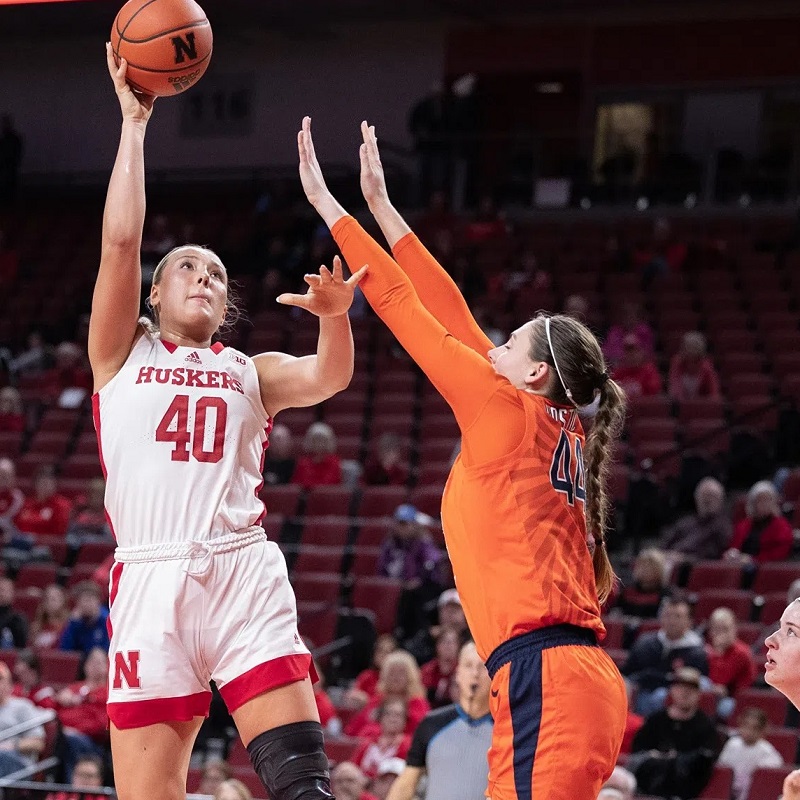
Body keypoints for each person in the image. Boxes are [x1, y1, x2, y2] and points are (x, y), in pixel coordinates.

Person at [298, 116, 627, 799]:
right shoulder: (544, 412)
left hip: (551, 679)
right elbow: (451, 311)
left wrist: (332, 209)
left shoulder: (505, 410)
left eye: (508, 342)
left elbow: (399, 303)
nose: (491, 345)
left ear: (533, 372)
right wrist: (387, 211)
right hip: (555, 676)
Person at [92, 49, 365, 800]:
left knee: (304, 788)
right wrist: (134, 125)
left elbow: (328, 376)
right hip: (150, 577)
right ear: (154, 292)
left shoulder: (249, 369)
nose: (206, 278)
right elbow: (120, 242)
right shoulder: (119, 353)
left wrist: (337, 321)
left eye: (216, 273)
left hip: (242, 567)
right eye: (188, 267)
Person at [386, 641, 493, 800]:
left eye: (482, 666)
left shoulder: (507, 729)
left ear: (495, 674)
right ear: (458, 674)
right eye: (468, 666)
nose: (475, 673)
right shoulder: (431, 724)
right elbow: (405, 785)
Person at [628, 667, 718, 800]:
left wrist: (678, 760)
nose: (685, 693)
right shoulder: (656, 720)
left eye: (691, 689)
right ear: (672, 690)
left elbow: (707, 758)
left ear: (698, 694)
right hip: (650, 787)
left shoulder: (705, 725)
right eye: (680, 687)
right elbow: (637, 751)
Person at [622, 595, 708, 716]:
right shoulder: (645, 643)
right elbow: (628, 671)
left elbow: (694, 682)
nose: (672, 621)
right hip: (641, 691)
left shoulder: (696, 652)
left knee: (659, 696)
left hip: (670, 701)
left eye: (677, 616)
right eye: (668, 615)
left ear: (689, 622)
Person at [345, 651, 430, 738]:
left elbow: (421, 733)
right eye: (392, 672)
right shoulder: (377, 700)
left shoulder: (418, 704)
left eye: (401, 672)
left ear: (410, 676)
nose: (396, 677)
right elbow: (352, 731)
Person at [661, 477, 731, 568]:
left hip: (695, 568)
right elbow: (665, 545)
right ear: (696, 498)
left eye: (712, 496)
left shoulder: (722, 526)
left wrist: (683, 558)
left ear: (721, 500)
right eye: (704, 495)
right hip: (670, 562)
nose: (708, 500)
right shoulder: (685, 523)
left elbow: (712, 555)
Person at [717, 707, 783, 800]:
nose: (748, 732)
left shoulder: (768, 753)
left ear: (763, 730)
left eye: (754, 728)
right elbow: (722, 771)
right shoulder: (732, 744)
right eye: (745, 726)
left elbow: (764, 783)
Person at [724, 480, 793, 565]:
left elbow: (780, 554)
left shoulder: (782, 526)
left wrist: (752, 560)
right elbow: (734, 547)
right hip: (739, 567)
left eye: (767, 500)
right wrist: (732, 554)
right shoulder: (743, 525)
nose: (764, 504)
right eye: (760, 500)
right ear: (753, 503)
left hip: (767, 571)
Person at [705, 607, 756, 719]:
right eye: (717, 629)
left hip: (735, 698)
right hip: (713, 694)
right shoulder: (706, 650)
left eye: (725, 629)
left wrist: (718, 654)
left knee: (726, 707)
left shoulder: (742, 652)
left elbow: (721, 681)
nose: (721, 634)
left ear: (734, 629)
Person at [0, 662, 47, 777]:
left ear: (9, 685)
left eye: (0, 679)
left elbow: (38, 743)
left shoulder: (22, 706)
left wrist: (12, 745)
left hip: (17, 761)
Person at [351, 698, 411, 779]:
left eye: (398, 715)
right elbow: (354, 767)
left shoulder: (409, 746)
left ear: (405, 721)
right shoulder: (367, 743)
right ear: (381, 717)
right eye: (388, 714)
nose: (393, 719)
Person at [14, 465, 72, 539]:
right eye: (42, 483)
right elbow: (17, 526)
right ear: (35, 484)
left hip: (46, 547)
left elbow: (59, 532)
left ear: (55, 485)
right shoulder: (26, 503)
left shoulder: (62, 505)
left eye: (48, 483)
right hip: (22, 543)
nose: (45, 486)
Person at [345, 634, 398, 710]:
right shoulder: (367, 675)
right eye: (380, 650)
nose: (383, 655)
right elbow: (353, 695)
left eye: (388, 652)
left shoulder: (397, 680)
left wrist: (367, 701)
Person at [59, 582, 109, 657]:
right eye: (84, 600)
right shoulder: (75, 622)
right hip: (80, 665)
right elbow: (65, 652)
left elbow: (108, 650)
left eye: (90, 600)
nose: (87, 604)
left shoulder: (106, 621)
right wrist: (73, 624)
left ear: (98, 601)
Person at [668, 331, 720, 402]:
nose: (690, 352)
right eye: (687, 349)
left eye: (696, 359)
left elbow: (714, 392)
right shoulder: (677, 362)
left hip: (701, 407)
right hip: (680, 405)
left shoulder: (707, 366)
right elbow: (675, 387)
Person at [291, 422, 342, 488]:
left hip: (328, 496)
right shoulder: (303, 463)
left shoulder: (334, 462)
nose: (319, 444)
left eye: (322, 440)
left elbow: (330, 483)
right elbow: (297, 484)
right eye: (316, 440)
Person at [420, 628, 460, 708]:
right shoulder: (427, 670)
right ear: (437, 646)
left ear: (458, 646)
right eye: (445, 642)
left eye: (452, 642)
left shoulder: (462, 671)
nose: (448, 646)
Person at [30, 584, 70, 650]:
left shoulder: (68, 626)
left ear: (63, 601)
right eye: (47, 599)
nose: (49, 602)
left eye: (53, 599)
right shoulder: (36, 627)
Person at [0, 114, 23, 207]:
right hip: (7, 167)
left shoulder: (11, 139)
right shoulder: (7, 139)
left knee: (9, 187)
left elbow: (16, 152)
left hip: (9, 167)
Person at [0, 576, 28, 648]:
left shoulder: (18, 619)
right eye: (0, 589)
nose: (1, 593)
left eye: (5, 590)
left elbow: (21, 647)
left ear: (12, 593)